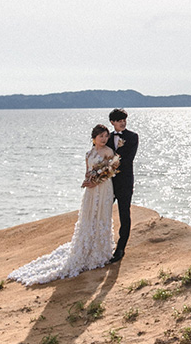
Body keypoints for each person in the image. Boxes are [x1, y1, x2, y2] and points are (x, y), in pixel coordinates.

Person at [8, 124, 119, 286]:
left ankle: (100, 249)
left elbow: (110, 171)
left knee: (102, 215)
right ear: (94, 138)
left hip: (104, 189)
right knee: (89, 215)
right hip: (91, 190)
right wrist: (89, 180)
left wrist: (97, 180)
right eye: (101, 136)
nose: (104, 139)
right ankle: (87, 246)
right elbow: (88, 171)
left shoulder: (109, 152)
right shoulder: (89, 153)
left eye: (106, 136)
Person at [107, 108, 139, 263]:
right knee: (103, 212)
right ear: (112, 122)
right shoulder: (107, 137)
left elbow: (128, 159)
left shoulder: (132, 137)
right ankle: (103, 244)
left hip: (125, 182)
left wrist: (110, 167)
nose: (123, 123)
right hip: (107, 183)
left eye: (124, 120)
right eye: (119, 120)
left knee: (124, 214)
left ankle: (120, 248)